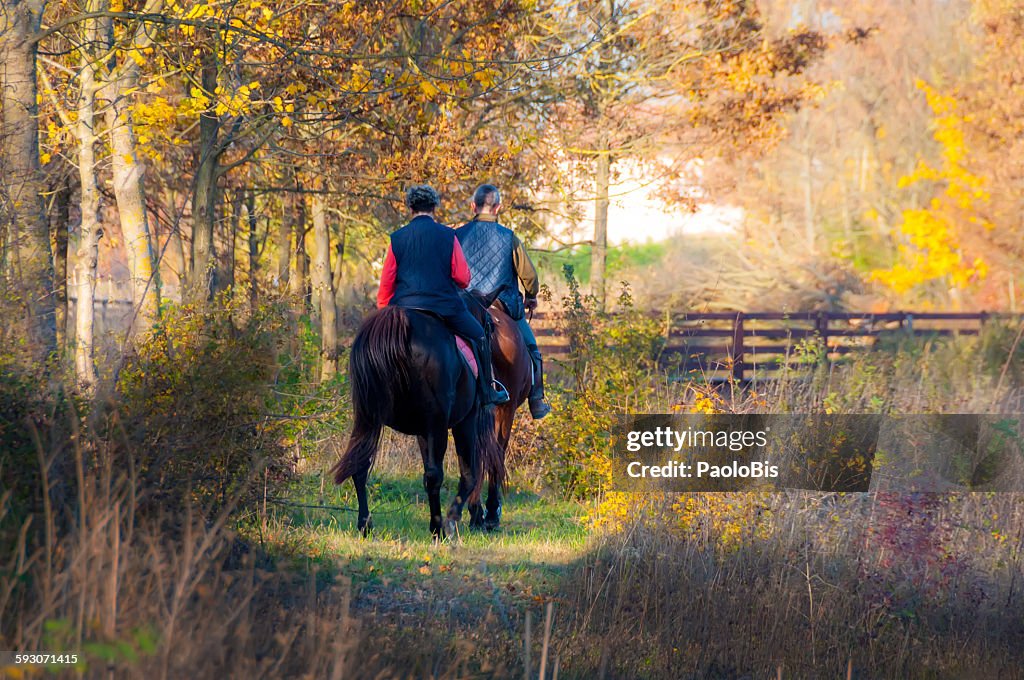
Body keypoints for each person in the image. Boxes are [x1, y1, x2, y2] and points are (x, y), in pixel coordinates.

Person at [377, 185, 510, 406]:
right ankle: (488, 391)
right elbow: (463, 278)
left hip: (404, 309)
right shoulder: (448, 235)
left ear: (410, 207)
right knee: (479, 335)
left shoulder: (396, 239)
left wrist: (384, 315)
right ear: (434, 208)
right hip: (444, 308)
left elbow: (386, 285)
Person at [455, 184, 551, 419]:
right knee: (531, 347)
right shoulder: (509, 237)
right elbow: (528, 275)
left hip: (466, 308)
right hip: (504, 305)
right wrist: (531, 296)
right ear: (498, 207)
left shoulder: (457, 236)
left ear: (472, 206)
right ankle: (536, 398)